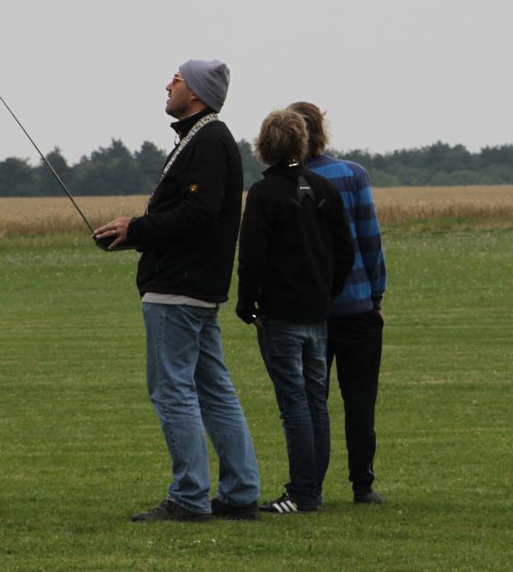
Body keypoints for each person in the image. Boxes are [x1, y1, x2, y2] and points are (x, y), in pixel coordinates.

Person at [95, 60, 261, 523]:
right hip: (195, 288)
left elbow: (199, 213)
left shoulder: (207, 140)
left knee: (173, 391)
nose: (167, 85)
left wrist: (137, 228)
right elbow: (191, 216)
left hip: (178, 290)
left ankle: (189, 496)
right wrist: (135, 235)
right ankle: (240, 493)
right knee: (213, 390)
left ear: (198, 92)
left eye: (177, 79)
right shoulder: (203, 138)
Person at [236, 110, 354, 514]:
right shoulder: (324, 189)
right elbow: (345, 250)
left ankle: (303, 492)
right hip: (317, 314)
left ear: (264, 145)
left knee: (294, 403)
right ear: (302, 142)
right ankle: (311, 488)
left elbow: (252, 256)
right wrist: (327, 292)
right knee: (315, 399)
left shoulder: (263, 194)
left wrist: (246, 304)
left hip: (279, 315)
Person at [287, 101, 387, 505]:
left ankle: (310, 484)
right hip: (358, 306)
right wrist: (375, 294)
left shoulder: (287, 182)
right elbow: (369, 237)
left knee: (313, 402)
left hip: (310, 311)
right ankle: (363, 484)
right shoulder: (352, 174)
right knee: (360, 401)